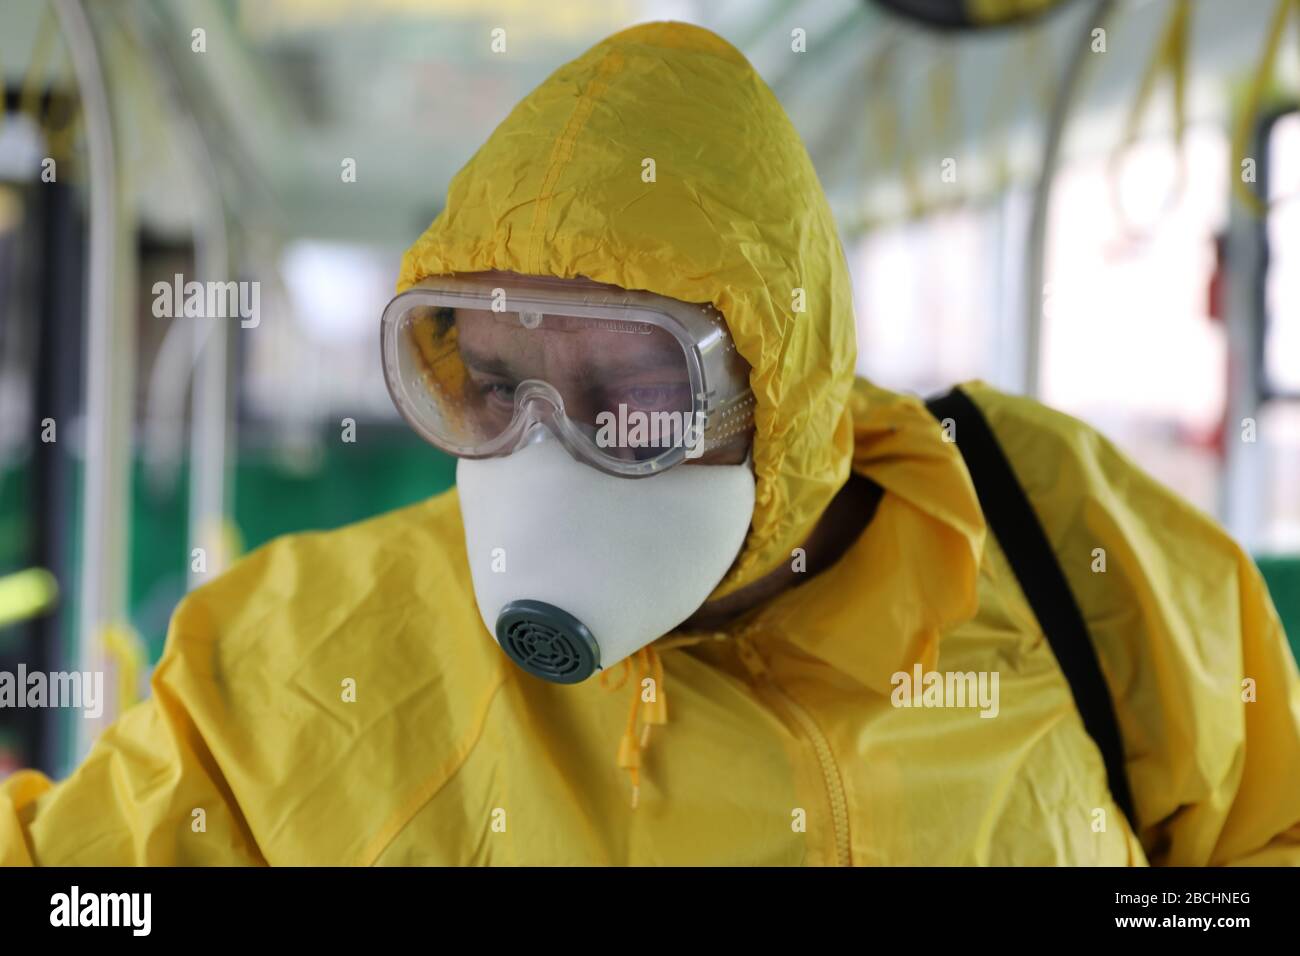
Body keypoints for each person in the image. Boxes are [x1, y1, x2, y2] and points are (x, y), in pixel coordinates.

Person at [4, 21, 1299, 866]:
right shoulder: (303, 671)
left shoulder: (1058, 531)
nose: (546, 456)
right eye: (495, 385)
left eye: (627, 391)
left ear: (778, 391)